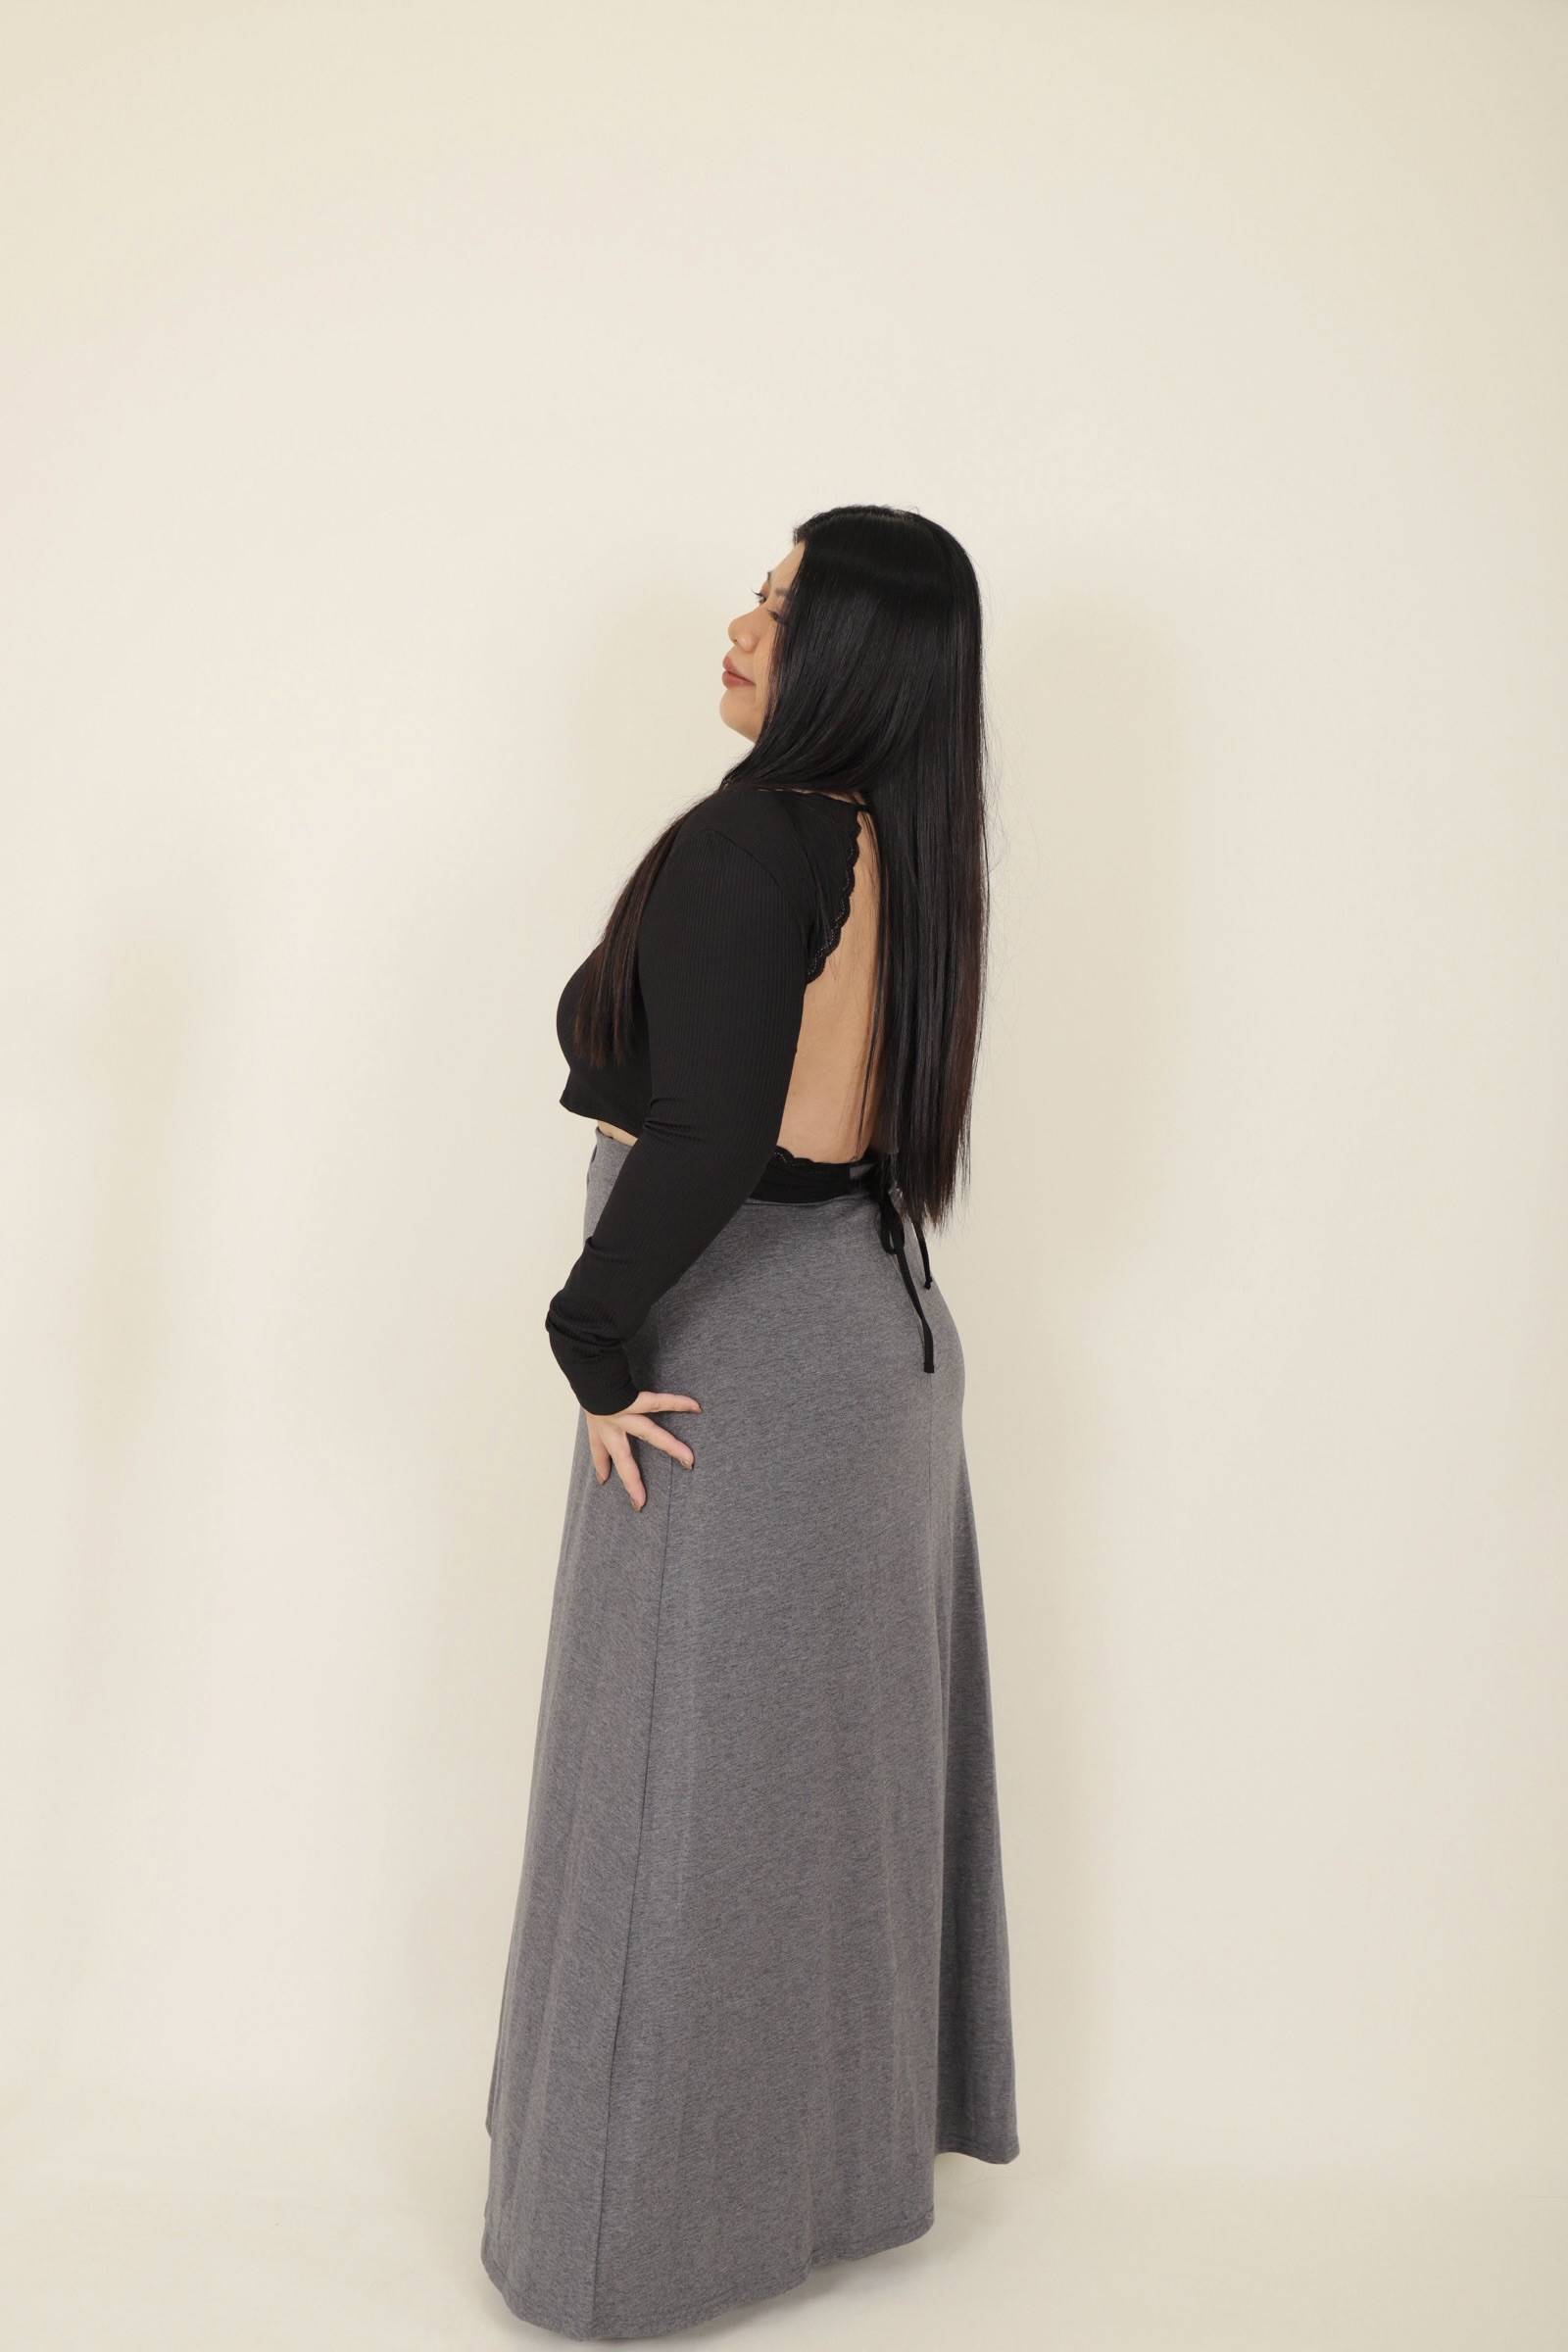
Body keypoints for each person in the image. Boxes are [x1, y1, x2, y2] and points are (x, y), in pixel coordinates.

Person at [481, 503, 1019, 2340]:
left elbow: (710, 1133)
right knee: (821, 1801)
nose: (740, 622)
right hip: (876, 1345)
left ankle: (621, 2257)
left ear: (854, 654)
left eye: (781, 604)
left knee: (672, 1797)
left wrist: (588, 1334)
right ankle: (827, 2194)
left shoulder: (747, 843)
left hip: (732, 1357)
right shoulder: (908, 847)